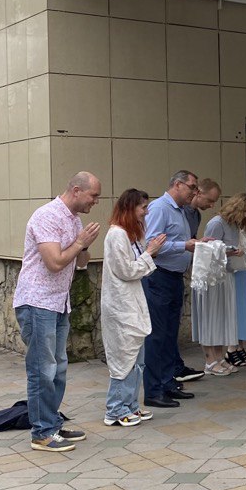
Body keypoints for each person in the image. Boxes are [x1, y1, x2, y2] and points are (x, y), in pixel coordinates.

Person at [12, 172, 102, 452]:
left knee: (58, 368)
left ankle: (52, 423)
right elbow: (54, 263)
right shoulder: (47, 216)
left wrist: (84, 245)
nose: (96, 202)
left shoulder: (74, 220)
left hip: (58, 302)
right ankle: (41, 433)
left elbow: (81, 262)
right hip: (37, 302)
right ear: (76, 190)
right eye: (93, 196)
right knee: (42, 369)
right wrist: (79, 243)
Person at [101, 189, 165, 427]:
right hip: (120, 305)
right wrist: (149, 253)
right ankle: (115, 409)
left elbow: (137, 265)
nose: (146, 212)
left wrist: (148, 251)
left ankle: (130, 405)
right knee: (123, 357)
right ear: (130, 208)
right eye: (143, 208)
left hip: (132, 302)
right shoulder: (117, 235)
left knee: (137, 357)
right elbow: (126, 270)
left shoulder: (132, 234)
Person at [142, 170, 202, 409]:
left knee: (169, 335)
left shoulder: (180, 211)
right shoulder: (159, 208)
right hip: (159, 276)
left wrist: (196, 244)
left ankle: (168, 383)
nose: (195, 192)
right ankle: (153, 390)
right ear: (177, 184)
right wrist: (183, 245)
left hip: (174, 277)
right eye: (192, 187)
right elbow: (151, 244)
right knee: (157, 335)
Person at [202, 193, 246, 374]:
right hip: (215, 276)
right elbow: (208, 250)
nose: (245, 215)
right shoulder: (216, 223)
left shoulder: (233, 225)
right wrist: (231, 251)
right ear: (235, 208)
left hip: (229, 273)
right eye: (244, 211)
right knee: (215, 319)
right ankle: (211, 361)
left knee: (224, 318)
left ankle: (220, 358)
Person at [179, 177, 220, 384]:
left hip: (186, 265)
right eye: (210, 200)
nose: (211, 206)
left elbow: (192, 240)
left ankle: (175, 365)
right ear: (198, 193)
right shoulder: (182, 211)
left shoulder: (196, 214)